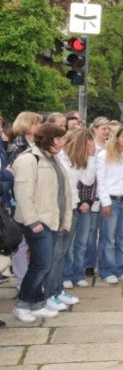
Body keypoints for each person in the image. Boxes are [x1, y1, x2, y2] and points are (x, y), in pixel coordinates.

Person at [11, 123, 70, 322]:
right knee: (41, 264)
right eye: (59, 138)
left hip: (51, 220)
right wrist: (32, 221)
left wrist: (62, 219)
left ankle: (36, 303)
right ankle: (22, 303)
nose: (62, 142)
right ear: (48, 139)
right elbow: (23, 194)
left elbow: (62, 192)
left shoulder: (53, 159)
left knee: (41, 263)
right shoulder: (29, 159)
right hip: (37, 222)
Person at [97, 125, 123, 283]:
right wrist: (106, 203)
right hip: (112, 201)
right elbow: (101, 181)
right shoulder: (103, 155)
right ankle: (106, 270)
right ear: (116, 138)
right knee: (108, 239)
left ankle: (121, 269)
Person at [58, 128, 96, 292]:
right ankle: (65, 276)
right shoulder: (60, 157)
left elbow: (88, 180)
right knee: (67, 247)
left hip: (74, 205)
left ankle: (76, 275)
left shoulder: (81, 159)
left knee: (79, 244)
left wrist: (92, 156)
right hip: (62, 207)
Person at [8, 111, 42, 288]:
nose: (39, 127)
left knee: (30, 245)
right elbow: (16, 177)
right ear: (27, 126)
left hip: (35, 200)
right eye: (36, 124)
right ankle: (21, 281)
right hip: (19, 202)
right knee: (21, 245)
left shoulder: (36, 145)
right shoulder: (17, 146)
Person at [82, 117, 112, 279]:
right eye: (103, 129)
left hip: (107, 194)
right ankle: (88, 264)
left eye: (108, 129)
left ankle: (105, 263)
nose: (106, 131)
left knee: (107, 232)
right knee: (91, 232)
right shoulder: (90, 146)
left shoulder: (111, 147)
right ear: (94, 129)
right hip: (93, 195)